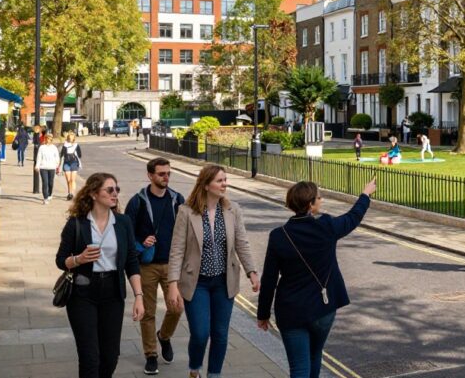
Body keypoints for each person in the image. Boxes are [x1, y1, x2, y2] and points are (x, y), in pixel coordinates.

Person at [257, 178, 376, 378]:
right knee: (314, 355)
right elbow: (353, 218)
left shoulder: (279, 236)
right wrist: (365, 195)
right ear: (310, 204)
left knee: (299, 367)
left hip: (291, 310)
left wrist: (263, 313)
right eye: (319, 198)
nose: (321, 201)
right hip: (323, 309)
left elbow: (269, 279)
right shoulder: (327, 227)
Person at [166, 166, 260, 378]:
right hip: (196, 282)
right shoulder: (186, 211)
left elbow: (242, 243)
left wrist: (251, 272)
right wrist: (172, 284)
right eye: (220, 181)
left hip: (223, 281)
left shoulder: (232, 210)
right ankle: (195, 369)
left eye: (225, 180)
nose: (225, 184)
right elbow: (177, 249)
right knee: (200, 333)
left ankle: (214, 374)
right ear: (206, 185)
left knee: (220, 334)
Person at [56, 172, 144, 378]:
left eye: (117, 190)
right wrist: (79, 259)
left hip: (113, 293)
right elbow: (61, 260)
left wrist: (139, 296)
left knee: (110, 357)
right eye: (110, 190)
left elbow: (131, 261)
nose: (115, 194)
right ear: (94, 194)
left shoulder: (123, 223)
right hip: (82, 292)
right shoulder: (76, 223)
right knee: (89, 357)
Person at [125, 158, 186, 376]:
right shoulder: (137, 202)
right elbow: (126, 232)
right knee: (148, 312)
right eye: (161, 174)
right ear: (150, 175)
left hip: (172, 264)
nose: (166, 177)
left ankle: (165, 336)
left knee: (177, 307)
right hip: (147, 265)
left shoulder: (178, 199)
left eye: (168, 173)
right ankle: (151, 355)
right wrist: (142, 242)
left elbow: (187, 230)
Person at [36, 136, 61, 204]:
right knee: (45, 183)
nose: (48, 140)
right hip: (43, 167)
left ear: (51, 140)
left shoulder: (54, 148)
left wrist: (56, 165)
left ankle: (50, 194)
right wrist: (37, 166)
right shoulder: (42, 147)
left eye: (50, 139)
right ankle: (45, 198)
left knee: (50, 183)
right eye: (47, 139)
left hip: (52, 167)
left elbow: (57, 157)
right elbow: (39, 157)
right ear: (45, 139)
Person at [61, 132, 83, 201]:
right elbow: (61, 154)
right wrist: (58, 164)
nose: (71, 139)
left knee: (72, 180)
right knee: (68, 180)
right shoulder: (65, 145)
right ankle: (69, 192)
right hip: (66, 163)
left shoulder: (76, 145)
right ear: (68, 138)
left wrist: (75, 153)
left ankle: (72, 193)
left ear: (74, 138)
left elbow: (80, 155)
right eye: (69, 138)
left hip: (74, 163)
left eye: (72, 137)